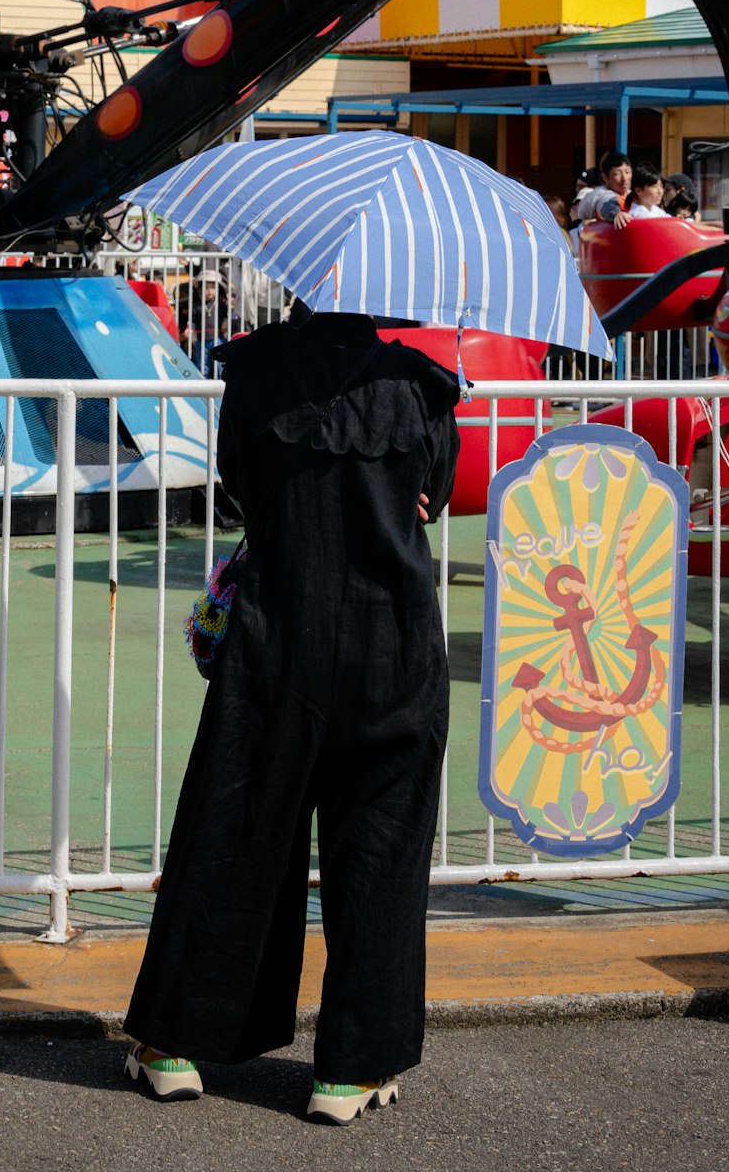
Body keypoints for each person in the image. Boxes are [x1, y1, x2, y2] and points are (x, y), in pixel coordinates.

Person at [123, 309, 460, 1124]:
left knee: (234, 833)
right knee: (380, 854)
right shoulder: (422, 387)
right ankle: (352, 1069)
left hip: (280, 636)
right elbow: (433, 497)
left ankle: (175, 1045)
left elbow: (242, 482)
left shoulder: (254, 373)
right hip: (395, 646)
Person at [572, 151, 632, 229]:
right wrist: (616, 213)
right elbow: (605, 203)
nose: (624, 178)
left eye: (627, 172)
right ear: (605, 177)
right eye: (617, 173)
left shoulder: (633, 194)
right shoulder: (600, 195)